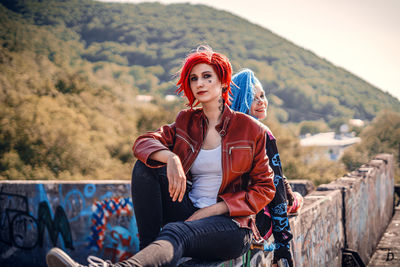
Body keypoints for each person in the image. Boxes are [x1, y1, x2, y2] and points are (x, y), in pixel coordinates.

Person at [46, 46, 276, 267]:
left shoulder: (250, 129)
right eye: (194, 78)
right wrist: (171, 159)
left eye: (207, 76)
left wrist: (214, 210)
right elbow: (143, 142)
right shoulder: (186, 121)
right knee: (146, 167)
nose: (200, 83)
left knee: (175, 231)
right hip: (188, 210)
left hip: (231, 226)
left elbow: (265, 188)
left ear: (224, 82)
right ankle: (149, 251)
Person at [230, 69, 301, 267]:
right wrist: (283, 243)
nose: (261, 101)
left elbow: (276, 177)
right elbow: (275, 187)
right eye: (253, 98)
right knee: (294, 200)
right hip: (257, 221)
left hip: (231, 215)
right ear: (240, 101)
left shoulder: (224, 130)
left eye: (262, 95)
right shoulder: (260, 132)